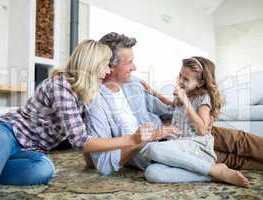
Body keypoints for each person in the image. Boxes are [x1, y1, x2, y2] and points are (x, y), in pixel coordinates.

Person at [0, 40, 169, 196]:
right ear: (92, 65)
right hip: (8, 134)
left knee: (44, 171)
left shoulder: (88, 92)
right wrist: (133, 139)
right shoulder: (61, 86)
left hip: (32, 151)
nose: (107, 71)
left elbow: (88, 139)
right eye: (105, 65)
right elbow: (81, 142)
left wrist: (151, 91)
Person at [84, 32, 263, 181]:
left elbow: (168, 110)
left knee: (238, 141)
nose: (135, 67)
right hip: (159, 149)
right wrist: (145, 138)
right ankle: (216, 170)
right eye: (129, 62)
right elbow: (103, 161)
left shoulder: (135, 84)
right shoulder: (97, 102)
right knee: (231, 158)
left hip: (178, 133)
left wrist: (203, 112)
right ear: (109, 65)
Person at [141, 56, 251, 187]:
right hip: (182, 149)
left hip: (197, 147)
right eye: (180, 75)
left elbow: (203, 130)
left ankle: (210, 169)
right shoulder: (186, 94)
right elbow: (172, 106)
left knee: (152, 148)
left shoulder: (203, 98)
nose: (180, 80)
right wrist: (154, 93)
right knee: (152, 173)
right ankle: (214, 174)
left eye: (186, 79)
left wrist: (186, 102)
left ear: (200, 83)